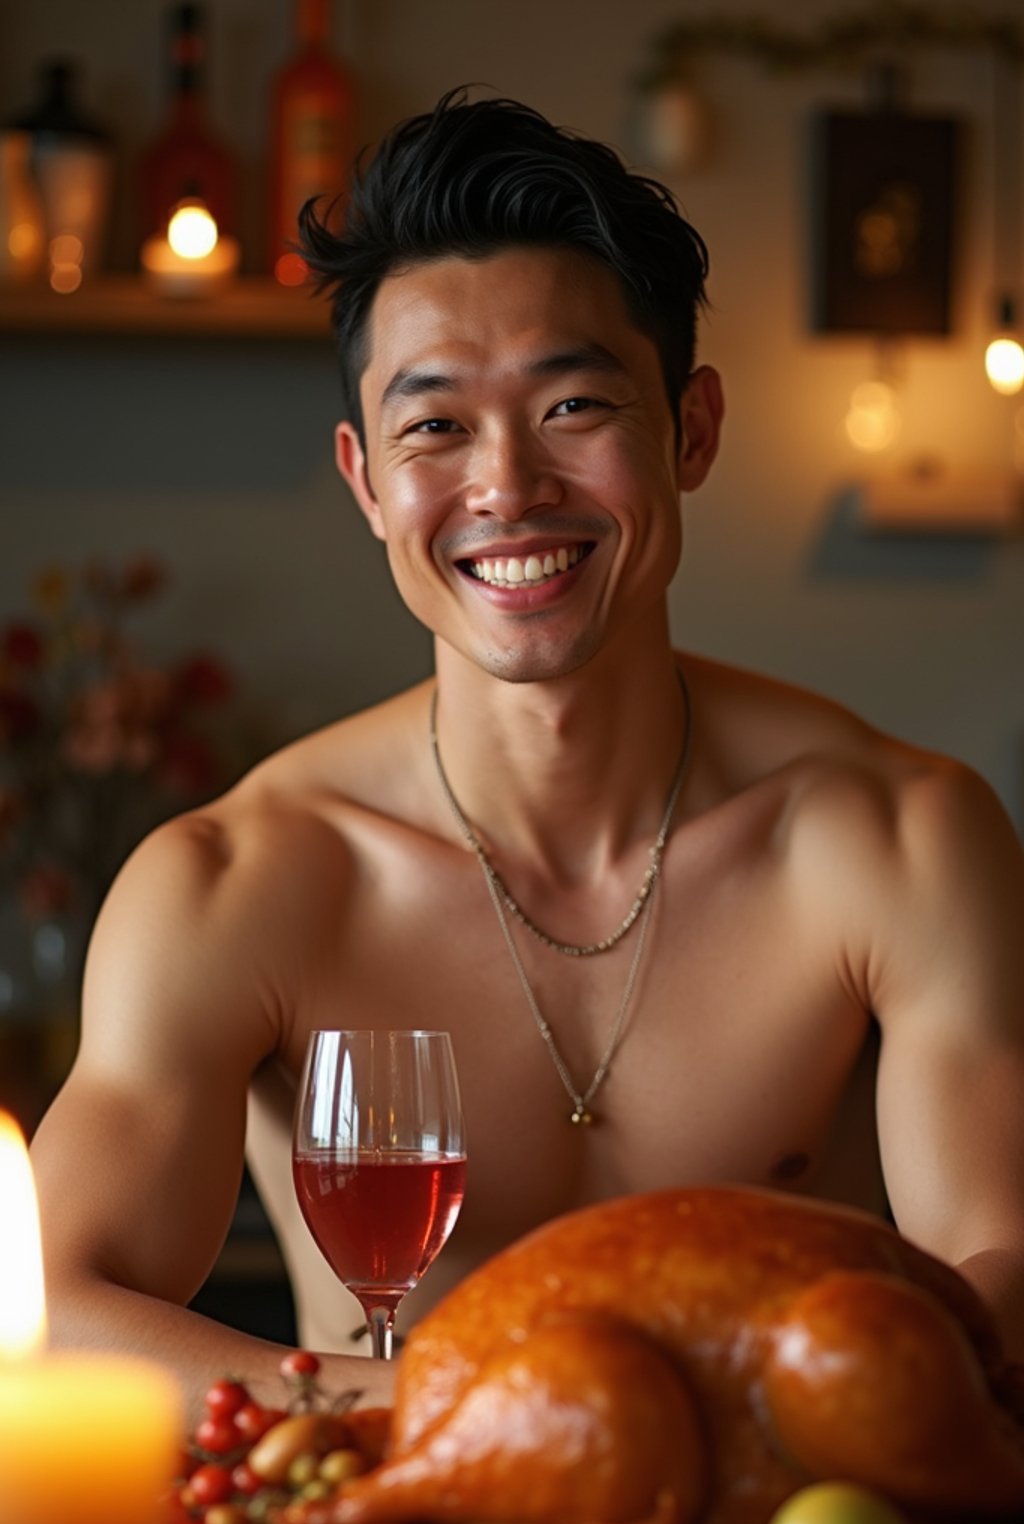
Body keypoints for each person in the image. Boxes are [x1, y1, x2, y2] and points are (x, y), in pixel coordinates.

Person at [30, 89, 1024, 1418]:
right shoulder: (236, 881)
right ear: (366, 480)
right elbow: (57, 1312)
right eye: (434, 425)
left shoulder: (897, 839)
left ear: (693, 430)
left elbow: (1003, 1260)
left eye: (572, 407)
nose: (505, 487)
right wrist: (459, 1415)